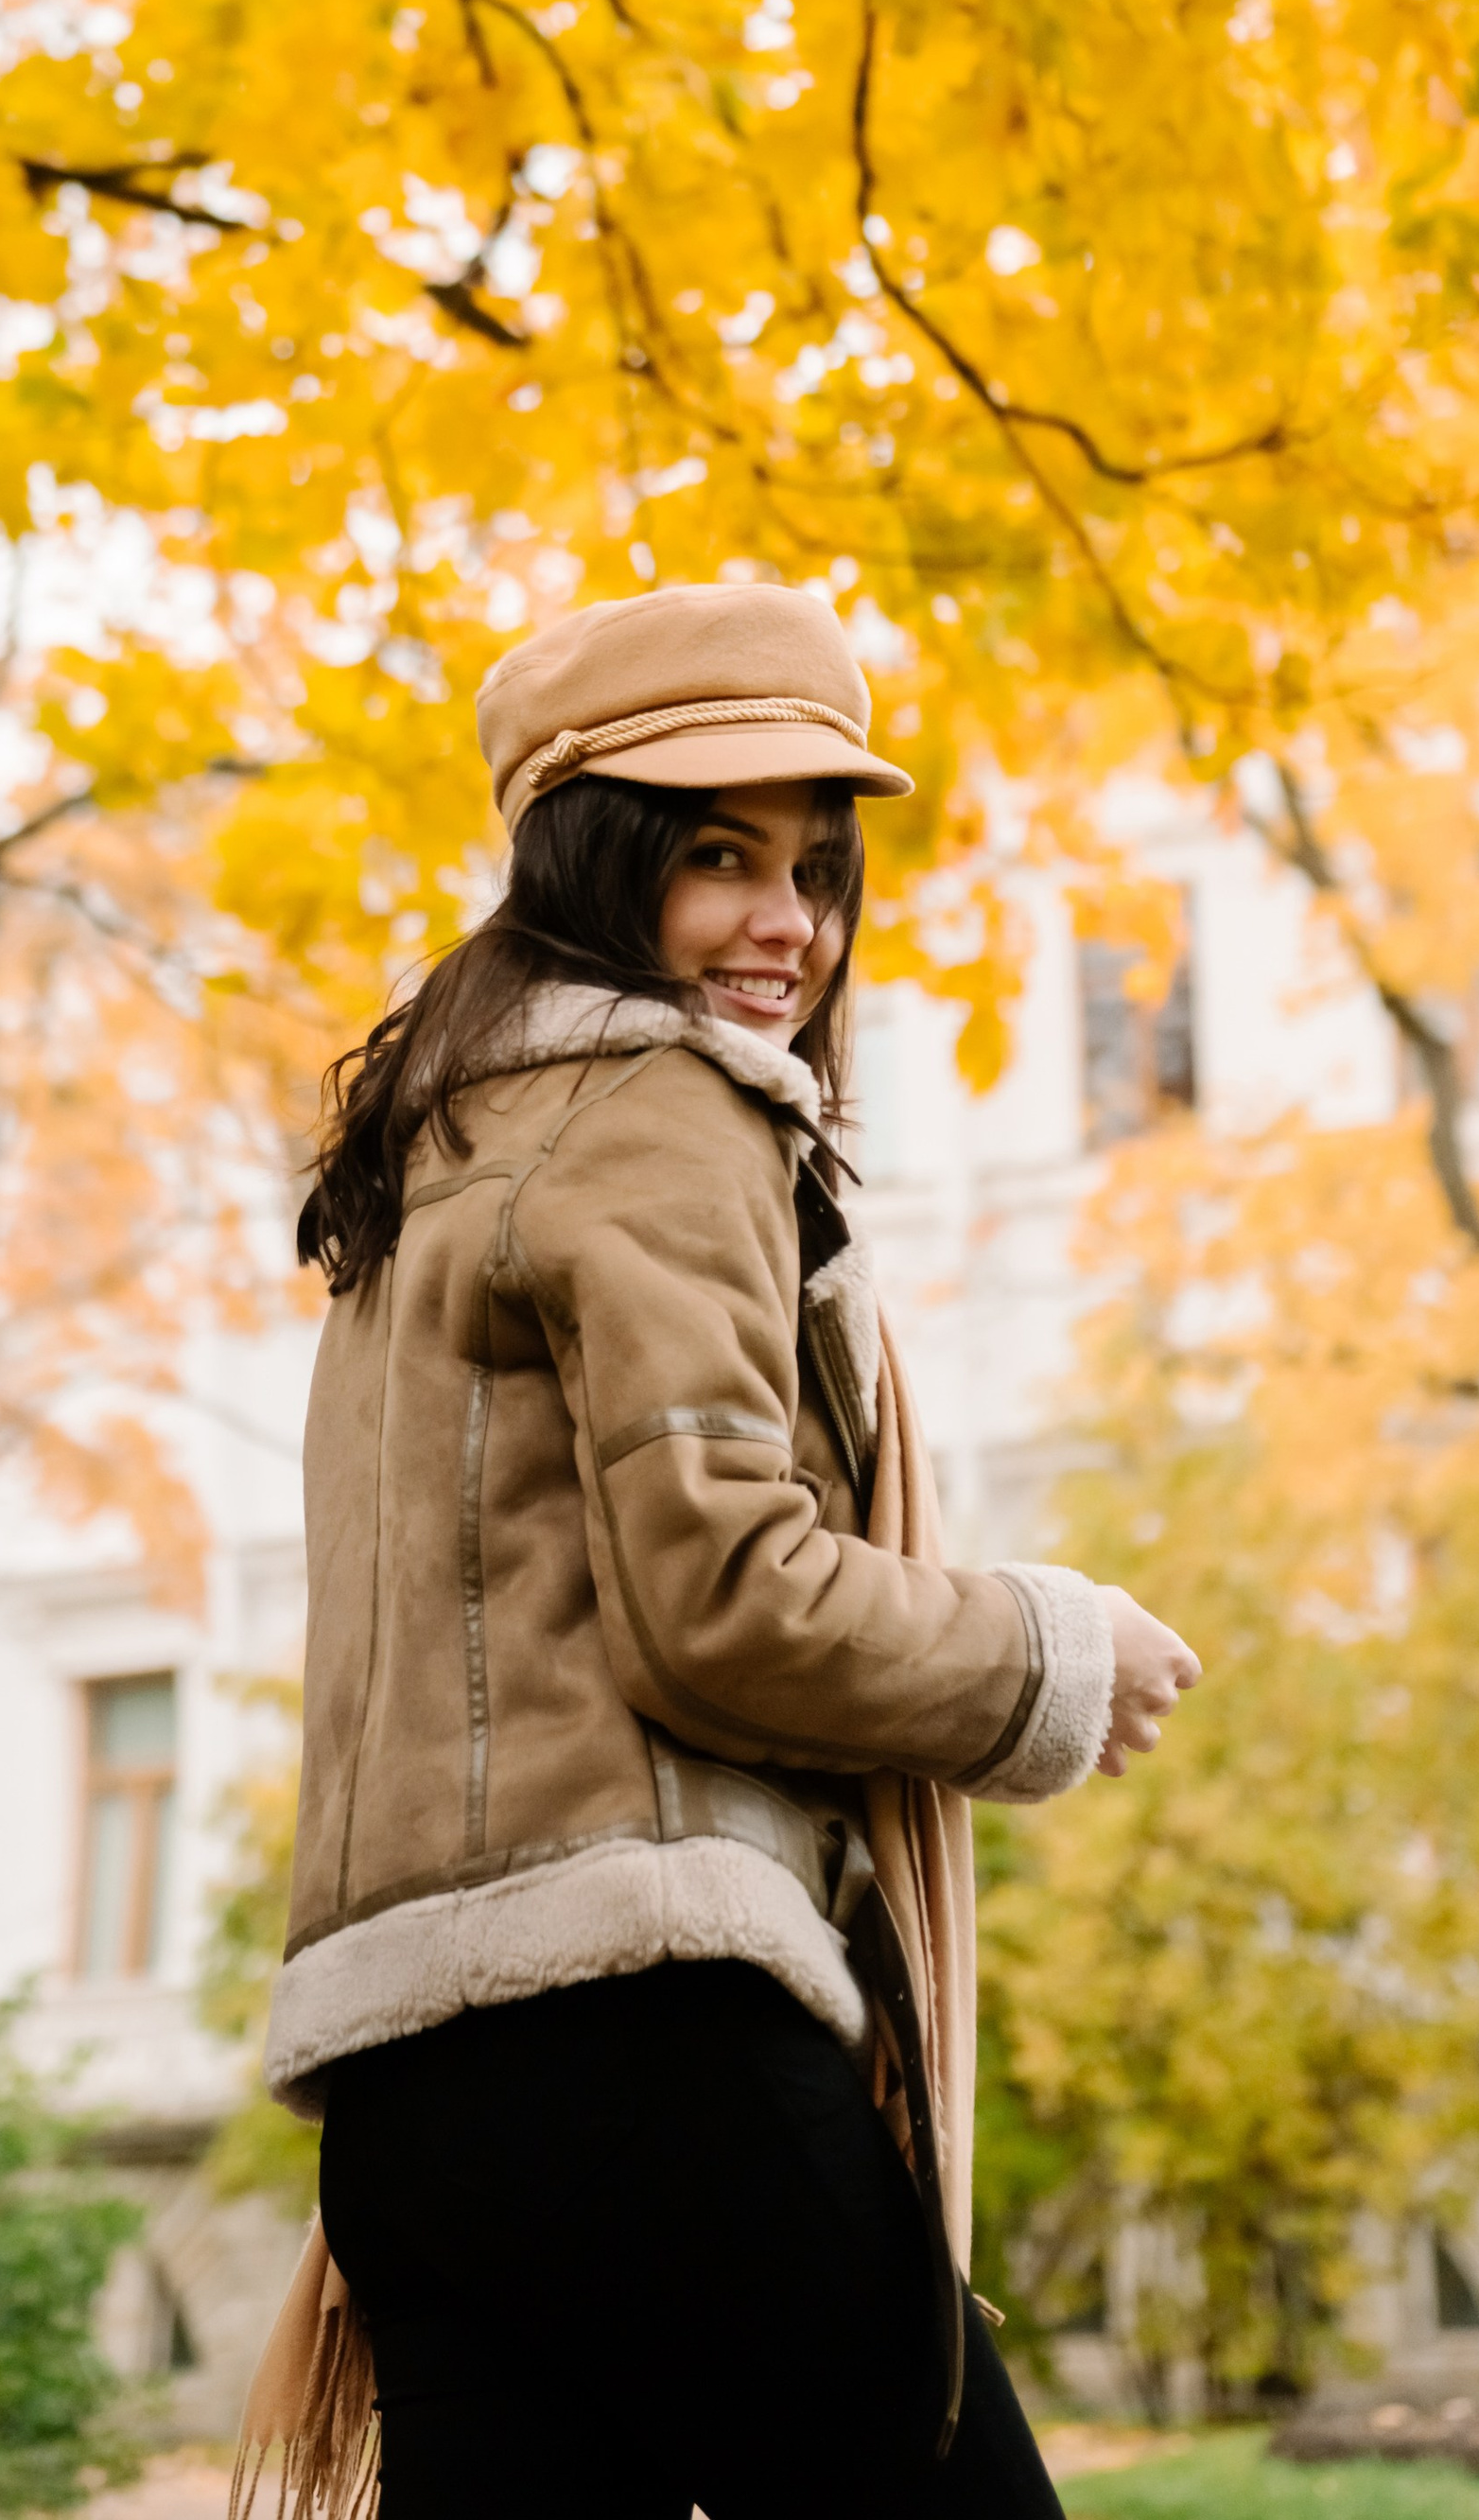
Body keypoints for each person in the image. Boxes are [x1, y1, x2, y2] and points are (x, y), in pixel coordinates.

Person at [235, 585, 1200, 2520]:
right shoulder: (665, 1110)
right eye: (717, 859)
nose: (788, 926)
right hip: (646, 2046)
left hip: (411, 2110)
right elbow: (723, 1601)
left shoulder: (431, 1153)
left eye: (817, 869)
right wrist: (1040, 1651)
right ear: (597, 865)